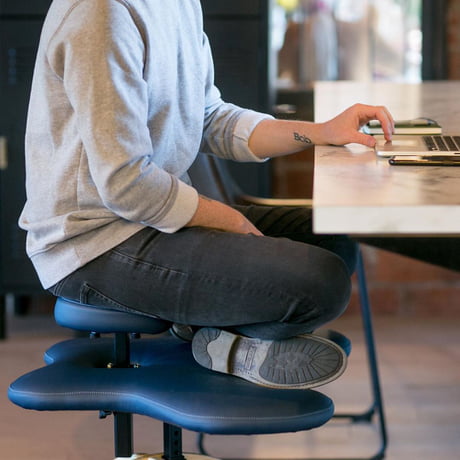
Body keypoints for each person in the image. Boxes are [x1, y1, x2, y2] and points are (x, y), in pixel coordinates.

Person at [19, 0, 394, 390]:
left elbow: (209, 117)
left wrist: (321, 132)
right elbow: (125, 182)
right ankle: (220, 344)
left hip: (148, 217)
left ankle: (209, 329)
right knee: (321, 283)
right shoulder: (101, 13)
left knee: (336, 239)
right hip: (94, 242)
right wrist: (231, 221)